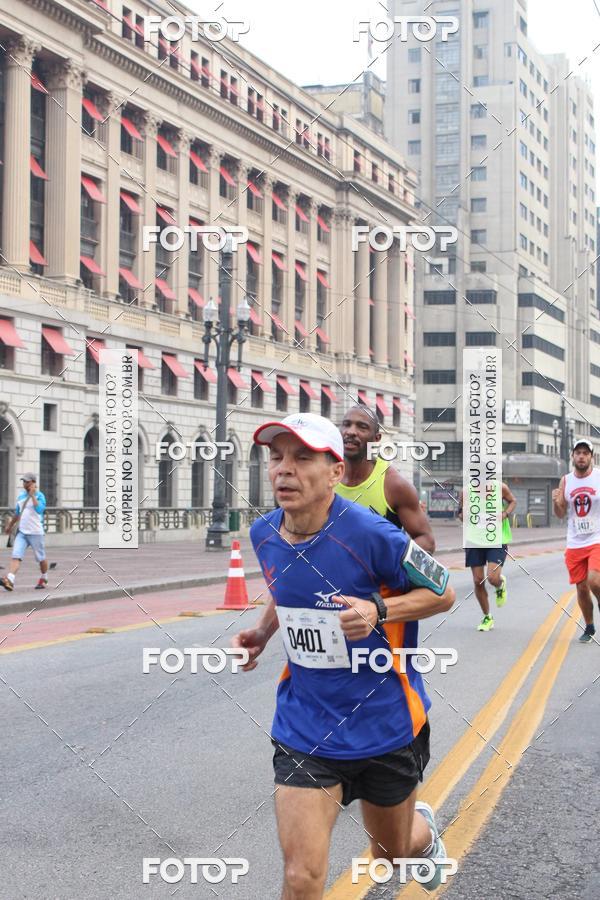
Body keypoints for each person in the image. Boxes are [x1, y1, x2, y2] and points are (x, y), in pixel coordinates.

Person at [234, 413, 456, 898]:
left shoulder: (374, 534)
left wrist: (380, 609)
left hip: (386, 722)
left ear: (335, 471)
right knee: (301, 877)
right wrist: (263, 631)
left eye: (302, 458)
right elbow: (286, 588)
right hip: (306, 725)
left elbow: (443, 592)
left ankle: (423, 834)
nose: (283, 470)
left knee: (392, 854)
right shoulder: (265, 533)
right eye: (276, 458)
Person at [336, 405, 435, 552]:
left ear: (376, 438)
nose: (351, 431)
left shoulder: (394, 484)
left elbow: (426, 541)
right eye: (346, 424)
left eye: (361, 427)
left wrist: (389, 560)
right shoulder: (323, 475)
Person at [552, 437, 600, 643]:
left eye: (585, 453)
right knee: (581, 587)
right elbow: (560, 513)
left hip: (597, 538)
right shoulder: (566, 480)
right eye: (578, 453)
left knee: (593, 581)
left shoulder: (599, 477)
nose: (581, 456)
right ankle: (589, 626)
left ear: (591, 457)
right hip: (574, 542)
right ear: (573, 456)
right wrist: (556, 501)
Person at [457, 481, 516, 631]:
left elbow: (513, 501)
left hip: (496, 539)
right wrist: (465, 514)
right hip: (473, 539)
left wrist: (505, 514)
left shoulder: (500, 487)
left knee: (492, 578)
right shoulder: (466, 491)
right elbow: (459, 514)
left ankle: (499, 584)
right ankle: (487, 617)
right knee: (478, 581)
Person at [1, 473, 48, 592]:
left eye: (27, 482)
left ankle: (44, 577)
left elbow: (39, 510)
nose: (24, 484)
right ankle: (10, 579)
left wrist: (32, 496)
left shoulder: (40, 496)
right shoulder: (21, 496)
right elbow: (17, 513)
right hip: (22, 532)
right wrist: (10, 526)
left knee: (41, 558)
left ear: (33, 482)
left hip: (36, 533)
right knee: (16, 555)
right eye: (23, 482)